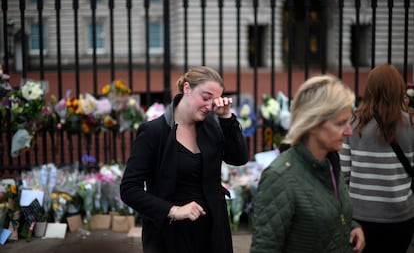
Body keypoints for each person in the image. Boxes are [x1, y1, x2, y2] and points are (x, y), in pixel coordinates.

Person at [120, 66, 249, 253]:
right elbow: (129, 189)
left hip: (214, 234)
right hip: (171, 236)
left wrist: (227, 118)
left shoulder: (213, 126)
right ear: (187, 89)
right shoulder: (154, 132)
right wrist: (172, 210)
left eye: (214, 101)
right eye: (205, 98)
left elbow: (239, 158)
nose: (209, 106)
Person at [250, 75, 365, 253]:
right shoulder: (280, 176)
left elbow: (324, 210)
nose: (349, 131)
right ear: (312, 124)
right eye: (341, 123)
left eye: (348, 122)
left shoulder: (330, 162)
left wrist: (351, 226)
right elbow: (265, 247)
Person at [339, 64, 414, 253]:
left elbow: (343, 173)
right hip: (401, 216)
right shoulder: (410, 124)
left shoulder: (354, 124)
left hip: (360, 217)